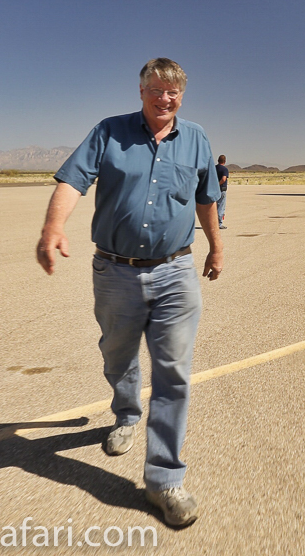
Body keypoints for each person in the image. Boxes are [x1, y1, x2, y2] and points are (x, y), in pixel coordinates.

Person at [36, 58, 222, 528]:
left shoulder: (197, 138)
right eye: (156, 90)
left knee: (174, 373)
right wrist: (52, 228)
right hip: (116, 272)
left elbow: (206, 199)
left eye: (173, 93)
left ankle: (164, 480)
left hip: (176, 271)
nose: (165, 99)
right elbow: (72, 180)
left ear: (183, 96)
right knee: (117, 356)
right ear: (141, 91)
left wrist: (217, 248)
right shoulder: (110, 131)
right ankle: (125, 413)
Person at [215, 155, 229, 229]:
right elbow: (223, 179)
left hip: (213, 190)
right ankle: (219, 223)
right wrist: (218, 185)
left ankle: (212, 223)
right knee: (220, 207)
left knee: (213, 207)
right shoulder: (224, 169)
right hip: (221, 190)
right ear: (224, 161)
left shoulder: (214, 168)